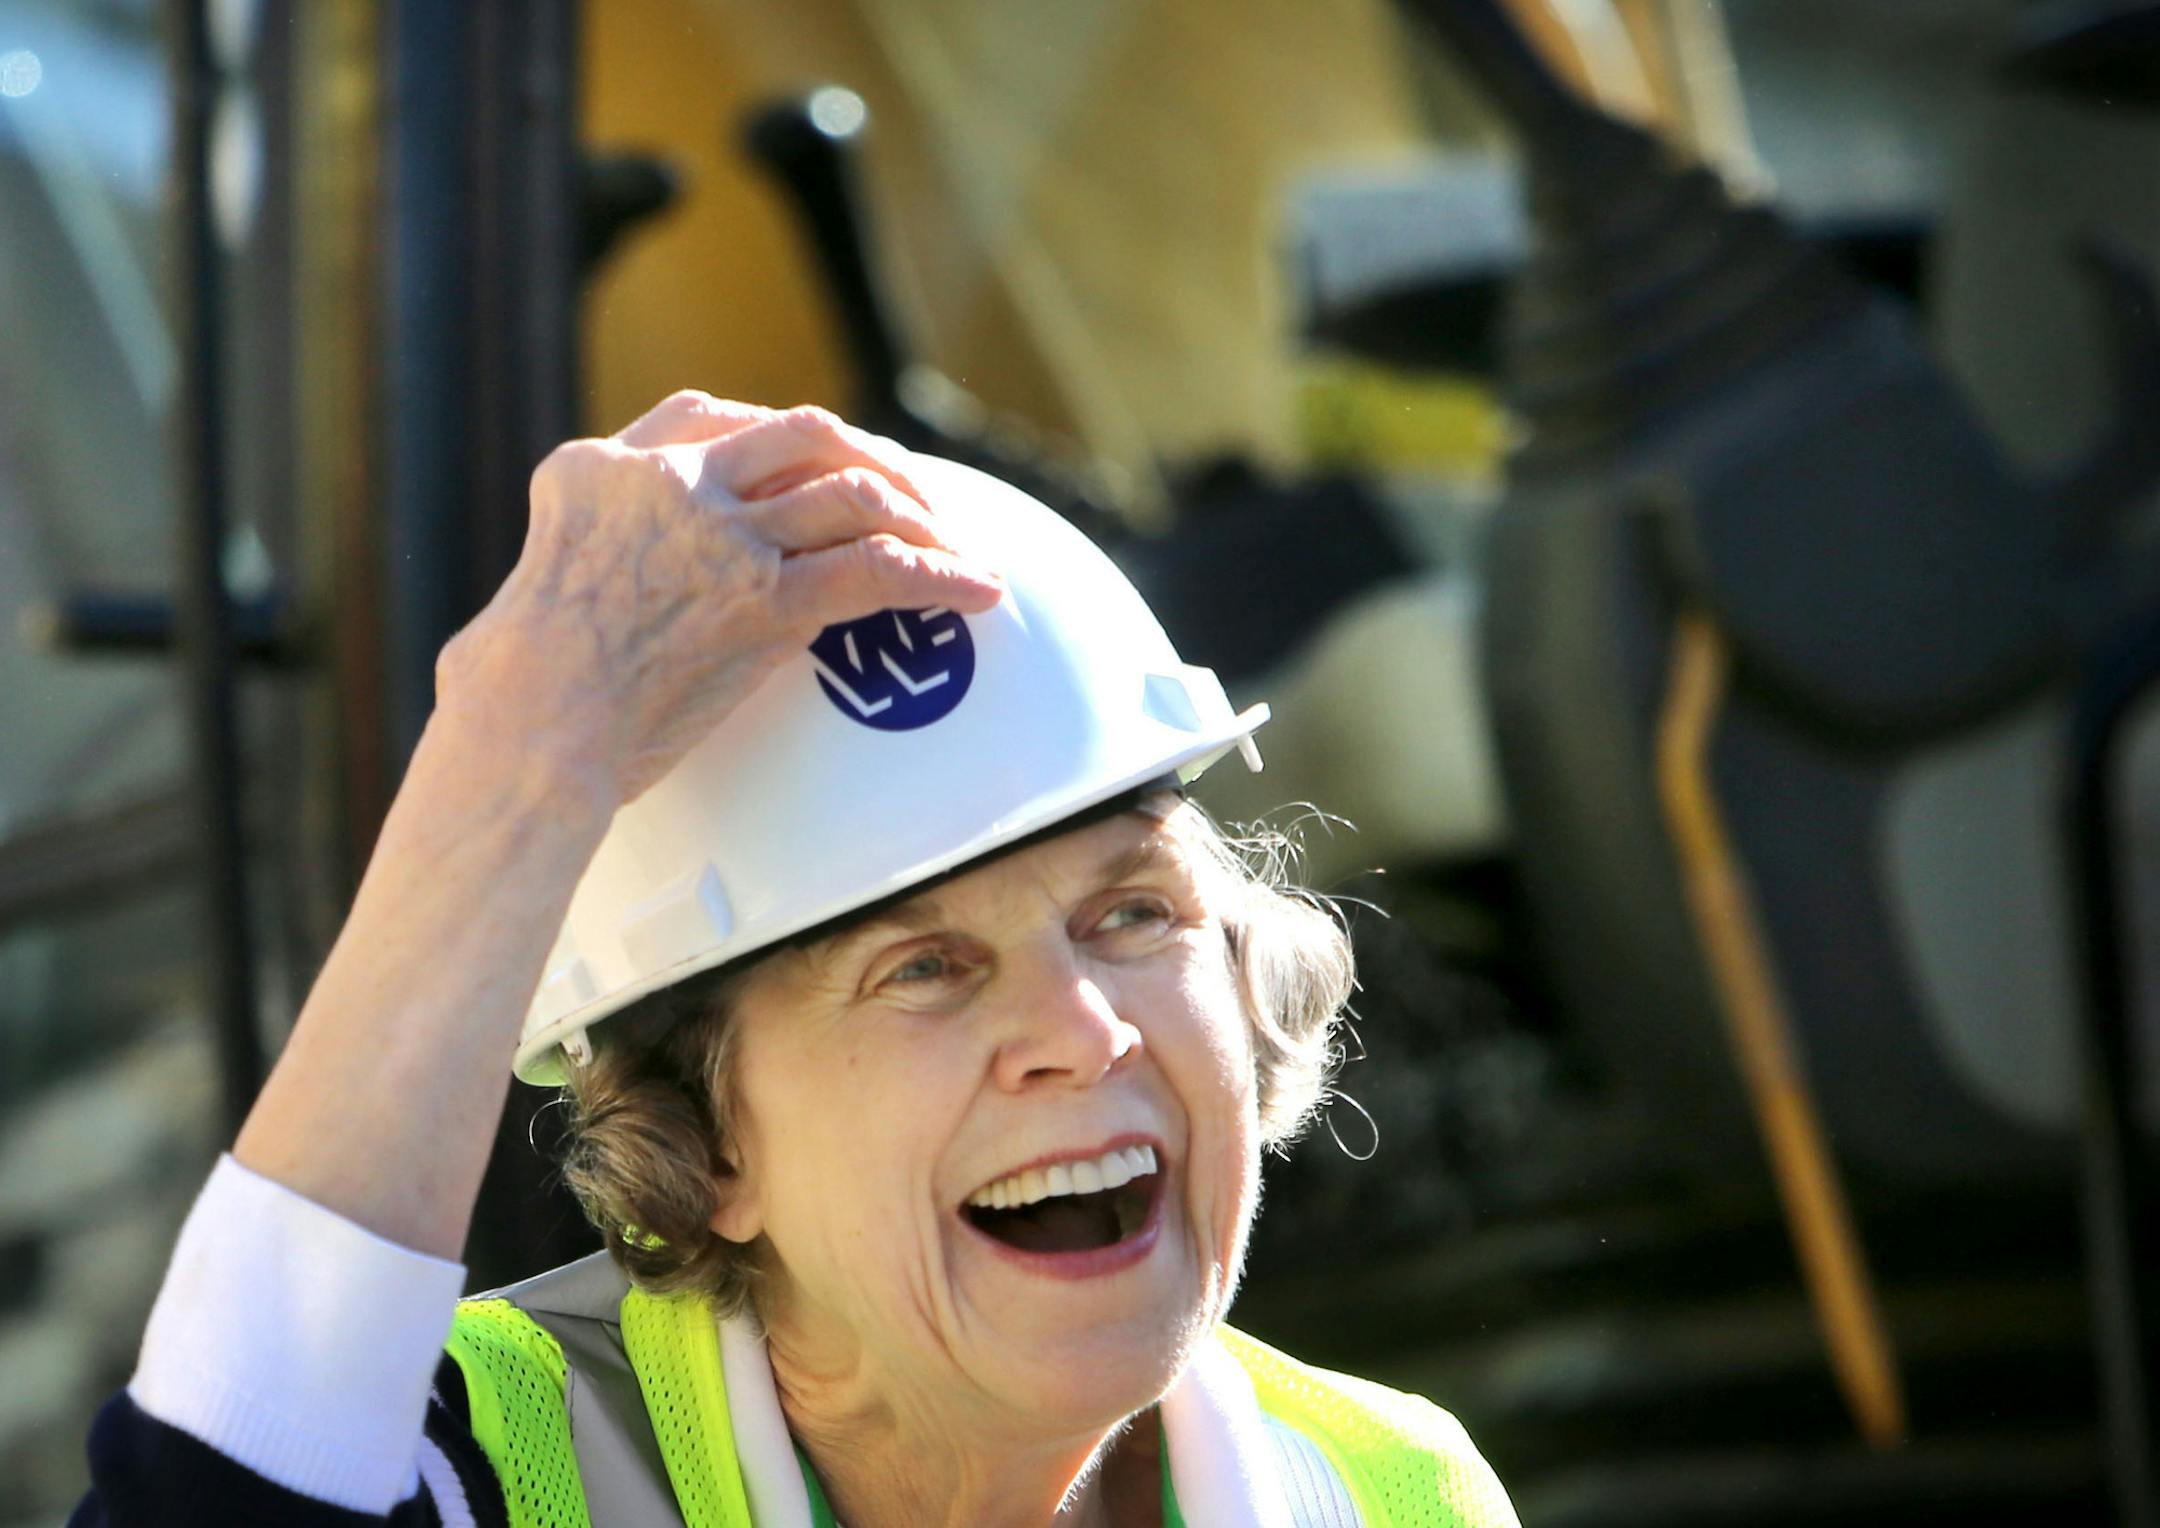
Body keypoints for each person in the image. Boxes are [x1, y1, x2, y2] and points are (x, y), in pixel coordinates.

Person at [72, 395, 1519, 1527]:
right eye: (922, 970)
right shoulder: (491, 1475)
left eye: (1131, 914)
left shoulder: (1389, 1494)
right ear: (705, 1147)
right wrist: (516, 746)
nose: (1085, 1033)